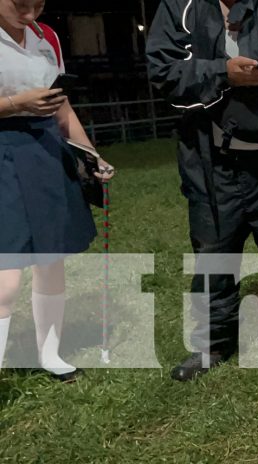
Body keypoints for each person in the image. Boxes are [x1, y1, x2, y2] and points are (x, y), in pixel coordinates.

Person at [146, 0, 258, 381]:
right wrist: (223, 73)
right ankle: (211, 344)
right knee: (213, 257)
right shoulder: (181, 7)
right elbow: (162, 71)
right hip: (213, 167)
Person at [0, 0, 115, 382]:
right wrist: (17, 103)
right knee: (7, 273)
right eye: (20, 2)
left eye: (38, 2)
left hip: (46, 147)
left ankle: (50, 354)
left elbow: (61, 106)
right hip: (3, 149)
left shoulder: (46, 36)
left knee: (52, 260)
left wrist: (89, 154)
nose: (30, 10)